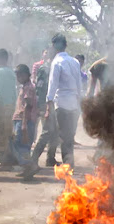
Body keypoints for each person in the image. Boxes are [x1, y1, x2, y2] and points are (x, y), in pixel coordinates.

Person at [39, 33, 82, 169]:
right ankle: (69, 164)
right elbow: (79, 84)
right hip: (73, 105)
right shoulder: (75, 62)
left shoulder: (56, 62)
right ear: (66, 45)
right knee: (68, 136)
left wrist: (48, 105)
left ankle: (67, 166)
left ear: (53, 46)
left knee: (59, 135)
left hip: (61, 104)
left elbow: (52, 86)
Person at [0, 49, 18, 171]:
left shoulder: (0, 72)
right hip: (10, 106)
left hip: (1, 108)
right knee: (7, 134)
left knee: (1, 135)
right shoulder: (10, 72)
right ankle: (6, 161)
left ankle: (5, 164)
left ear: (0, 59)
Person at [31, 48, 60, 167]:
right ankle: (33, 159)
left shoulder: (55, 66)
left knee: (55, 132)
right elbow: (40, 88)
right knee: (47, 132)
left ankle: (50, 158)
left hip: (54, 104)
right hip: (45, 104)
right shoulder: (44, 69)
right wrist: (40, 106)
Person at [10, 64, 39, 179]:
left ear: (27, 74)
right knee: (23, 145)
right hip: (22, 119)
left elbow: (28, 105)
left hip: (24, 120)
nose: (18, 77)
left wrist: (23, 124)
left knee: (20, 143)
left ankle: (30, 166)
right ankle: (27, 169)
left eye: (20, 74)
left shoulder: (28, 87)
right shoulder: (25, 86)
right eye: (17, 75)